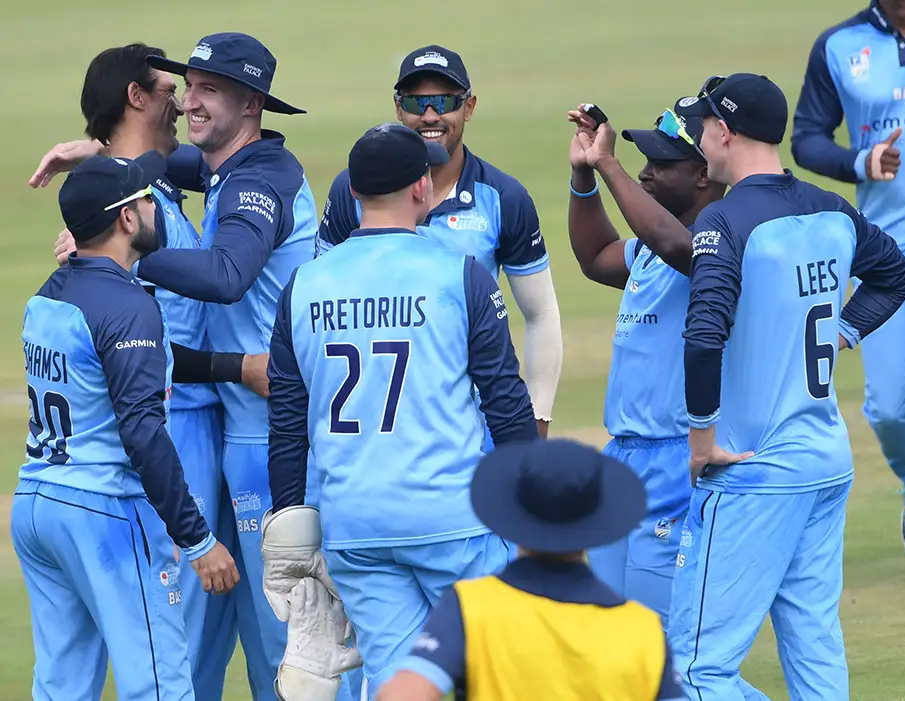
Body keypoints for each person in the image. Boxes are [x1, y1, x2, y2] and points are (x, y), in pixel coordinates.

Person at [260, 122, 539, 699]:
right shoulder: (460, 275)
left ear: (354, 195)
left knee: (397, 682)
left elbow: (288, 422)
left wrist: (290, 527)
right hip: (452, 521)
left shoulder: (303, 286)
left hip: (353, 527)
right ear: (422, 188)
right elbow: (506, 400)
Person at [668, 72, 905, 700]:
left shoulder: (723, 221)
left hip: (754, 471)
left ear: (725, 132)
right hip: (825, 463)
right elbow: (895, 275)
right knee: (813, 648)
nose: (698, 141)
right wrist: (842, 334)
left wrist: (701, 440)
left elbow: (703, 336)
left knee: (696, 672)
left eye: (702, 128)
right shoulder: (831, 210)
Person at [35, 42, 272, 700]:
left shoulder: (144, 184)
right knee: (177, 642)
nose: (183, 100)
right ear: (136, 97)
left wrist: (93, 153)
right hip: (174, 431)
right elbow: (145, 346)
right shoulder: (128, 213)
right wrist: (237, 365)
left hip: (191, 430)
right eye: (171, 87)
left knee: (204, 632)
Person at [12, 151, 240, 701]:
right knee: (158, 686)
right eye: (143, 197)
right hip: (103, 513)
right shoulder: (129, 307)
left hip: (37, 504)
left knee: (62, 686)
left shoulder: (49, 294)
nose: (151, 205)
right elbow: (143, 434)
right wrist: (198, 538)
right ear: (126, 219)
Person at [790, 0, 905, 588]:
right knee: (889, 407)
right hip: (886, 248)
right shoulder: (839, 45)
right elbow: (807, 139)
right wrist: (860, 160)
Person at [316, 44, 562, 445]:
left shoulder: (503, 197)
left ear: (469, 107)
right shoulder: (353, 189)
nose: (430, 116)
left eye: (444, 101)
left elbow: (541, 315)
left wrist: (536, 421)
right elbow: (322, 300)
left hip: (472, 428)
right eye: (417, 102)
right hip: (373, 420)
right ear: (398, 108)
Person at [566, 97, 726, 628]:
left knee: (669, 652)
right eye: (643, 161)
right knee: (615, 639)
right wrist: (583, 177)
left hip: (680, 461)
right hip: (623, 460)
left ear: (704, 174)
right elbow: (595, 256)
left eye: (662, 164)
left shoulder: (714, 246)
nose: (646, 171)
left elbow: (674, 243)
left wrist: (608, 165)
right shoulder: (648, 251)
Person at [375, 438, 685, 701]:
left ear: (512, 509)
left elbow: (403, 694)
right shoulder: (643, 629)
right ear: (600, 517)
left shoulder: (470, 607)